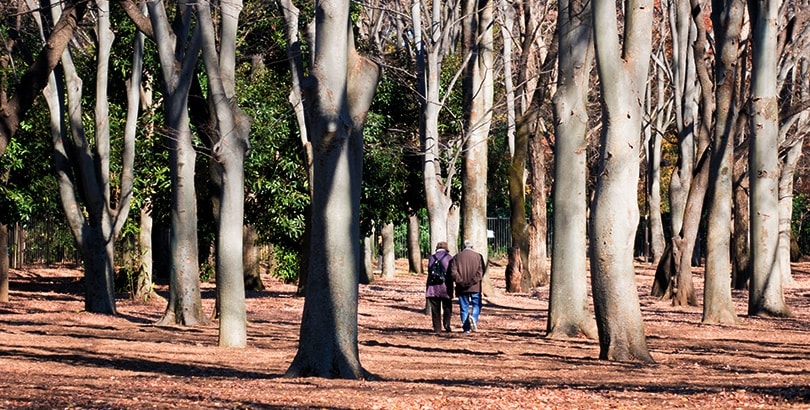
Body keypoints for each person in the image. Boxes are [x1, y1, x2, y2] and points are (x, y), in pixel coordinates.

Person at [449, 239, 485, 333]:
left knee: (464, 307)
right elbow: (481, 272)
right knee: (476, 305)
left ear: (463, 247)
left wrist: (461, 282)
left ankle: (466, 329)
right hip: (475, 287)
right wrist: (471, 282)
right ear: (472, 247)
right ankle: (473, 317)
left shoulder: (456, 257)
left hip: (461, 287)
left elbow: (453, 273)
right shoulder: (478, 257)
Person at [425, 241, 453, 333]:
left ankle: (437, 328)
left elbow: (429, 269)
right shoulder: (449, 258)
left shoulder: (431, 258)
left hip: (432, 287)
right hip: (446, 287)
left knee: (435, 309)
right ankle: (447, 323)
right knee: (447, 306)